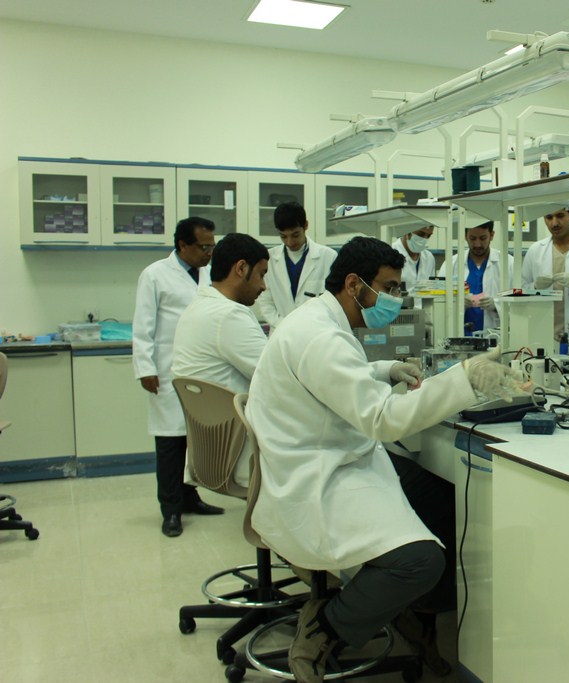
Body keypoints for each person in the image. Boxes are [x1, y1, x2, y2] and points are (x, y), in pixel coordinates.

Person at [245, 237, 525, 683]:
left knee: (441, 500)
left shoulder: (320, 320)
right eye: (390, 288)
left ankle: (408, 611)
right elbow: (383, 420)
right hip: (318, 476)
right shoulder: (320, 336)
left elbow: (336, 376)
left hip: (335, 454)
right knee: (423, 560)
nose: (395, 298)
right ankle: (325, 626)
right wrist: (464, 379)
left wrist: (385, 369)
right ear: (354, 284)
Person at [132, 217, 223, 538]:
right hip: (167, 371)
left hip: (201, 372)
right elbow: (142, 327)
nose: (209, 253)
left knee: (195, 442)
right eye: (204, 247)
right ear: (183, 245)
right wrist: (145, 368)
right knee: (170, 444)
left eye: (212, 247)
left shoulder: (210, 275)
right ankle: (170, 509)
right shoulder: (155, 275)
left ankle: (190, 498)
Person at [172, 233, 270, 489]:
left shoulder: (199, 306)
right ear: (241, 268)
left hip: (213, 451)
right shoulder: (229, 315)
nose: (263, 286)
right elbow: (277, 376)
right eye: (261, 275)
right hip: (241, 452)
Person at [257, 201, 337, 332]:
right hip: (281, 332)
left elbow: (333, 302)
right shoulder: (269, 259)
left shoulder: (328, 257)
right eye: (283, 236)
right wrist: (286, 326)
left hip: (316, 332)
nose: (289, 242)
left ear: (305, 225)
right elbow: (266, 304)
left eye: (295, 235)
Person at [522, 207, 569, 339]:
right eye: (549, 217)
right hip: (544, 333)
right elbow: (520, 291)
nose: (554, 223)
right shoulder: (535, 251)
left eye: (560, 216)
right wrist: (535, 287)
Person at [437, 220, 514, 333]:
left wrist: (496, 305)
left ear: (492, 235)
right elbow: (439, 301)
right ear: (465, 236)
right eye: (472, 238)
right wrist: (456, 303)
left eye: (483, 238)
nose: (477, 244)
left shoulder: (508, 263)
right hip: (459, 334)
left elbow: (518, 301)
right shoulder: (451, 264)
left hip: (495, 334)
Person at [391, 225, 436, 292]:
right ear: (407, 231)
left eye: (429, 236)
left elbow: (431, 289)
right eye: (421, 234)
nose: (424, 239)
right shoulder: (390, 253)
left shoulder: (429, 258)